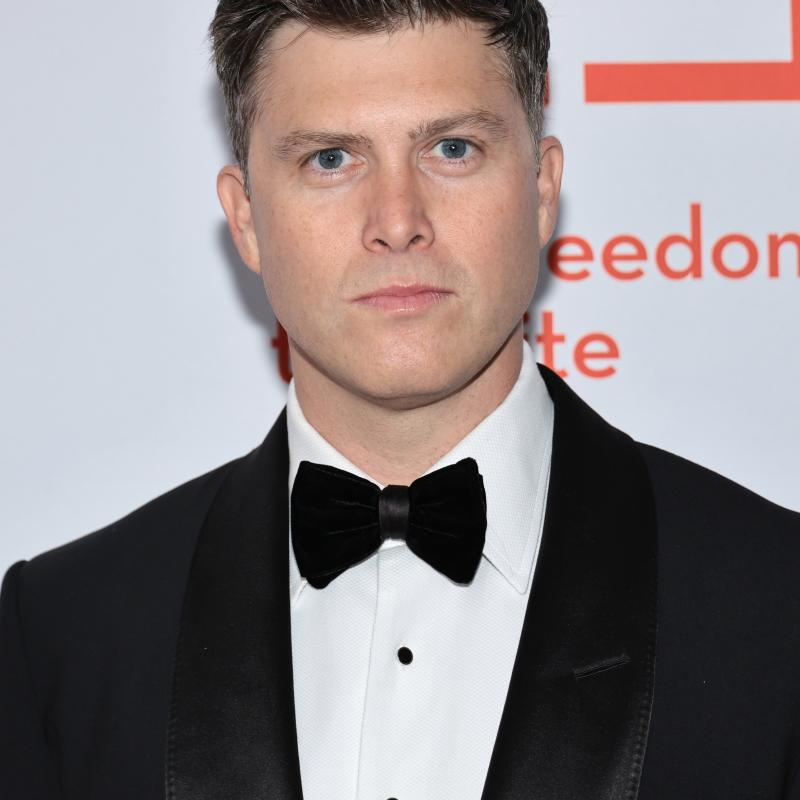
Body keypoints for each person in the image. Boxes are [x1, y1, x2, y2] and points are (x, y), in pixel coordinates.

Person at [1, 1, 798, 798]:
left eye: (452, 148)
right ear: (245, 217)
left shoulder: (774, 604)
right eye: (330, 159)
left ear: (543, 188)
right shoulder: (67, 634)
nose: (397, 222)